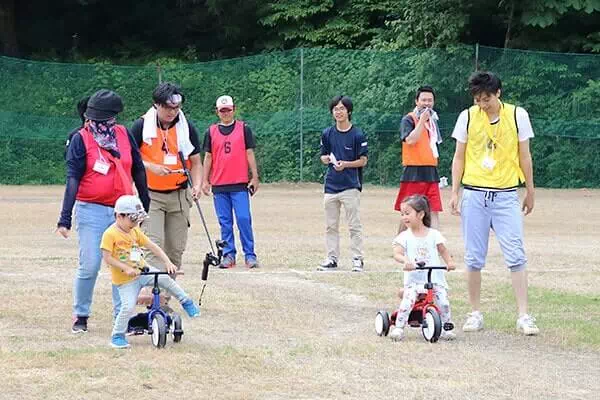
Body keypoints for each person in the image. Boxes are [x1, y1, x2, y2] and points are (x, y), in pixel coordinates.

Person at [449, 71, 539, 335]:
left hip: (506, 194)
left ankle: (523, 315)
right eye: (477, 98)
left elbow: (525, 156)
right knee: (474, 256)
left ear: (498, 93)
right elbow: (458, 157)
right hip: (475, 194)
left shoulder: (517, 115)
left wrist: (530, 190)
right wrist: (455, 192)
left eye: (486, 98)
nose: (482, 104)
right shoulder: (467, 117)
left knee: (515, 253)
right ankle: (475, 313)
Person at [56, 89, 150, 334]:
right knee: (90, 264)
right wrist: (65, 217)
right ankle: (81, 314)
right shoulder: (81, 139)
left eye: (98, 118)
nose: (93, 123)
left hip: (123, 212)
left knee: (123, 263)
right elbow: (73, 178)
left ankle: (122, 315)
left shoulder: (123, 134)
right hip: (91, 209)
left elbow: (138, 168)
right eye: (91, 118)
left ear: (112, 118)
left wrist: (145, 202)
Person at [100, 195, 200, 349]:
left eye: (137, 221)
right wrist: (125, 268)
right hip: (125, 280)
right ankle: (118, 335)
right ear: (119, 216)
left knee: (165, 279)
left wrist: (167, 262)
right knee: (127, 306)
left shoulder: (135, 231)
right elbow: (107, 258)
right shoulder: (110, 234)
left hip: (143, 270)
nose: (135, 224)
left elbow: (152, 246)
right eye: (132, 220)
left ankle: (186, 301)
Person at [130, 83, 203, 277]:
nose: (172, 112)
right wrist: (149, 166)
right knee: (152, 244)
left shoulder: (187, 128)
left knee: (175, 249)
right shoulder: (140, 126)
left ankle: (164, 297)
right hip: (150, 195)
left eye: (176, 108)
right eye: (167, 107)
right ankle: (152, 295)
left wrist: (196, 185)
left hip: (180, 195)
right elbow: (128, 158)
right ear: (156, 105)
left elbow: (196, 163)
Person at [201, 95, 259, 269]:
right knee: (225, 222)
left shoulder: (244, 129)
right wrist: (205, 180)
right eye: (222, 110)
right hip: (219, 185)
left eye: (228, 109)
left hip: (239, 183)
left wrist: (254, 176)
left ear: (234, 109)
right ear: (217, 112)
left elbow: (249, 153)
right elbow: (208, 157)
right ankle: (228, 255)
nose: (225, 113)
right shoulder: (210, 132)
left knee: (243, 219)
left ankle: (250, 255)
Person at [390, 195, 456, 341]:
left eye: (407, 213)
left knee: (443, 302)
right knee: (408, 302)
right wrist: (406, 261)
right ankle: (399, 327)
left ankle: (446, 327)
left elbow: (443, 250)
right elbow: (397, 254)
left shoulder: (434, 235)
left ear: (420, 214)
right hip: (414, 280)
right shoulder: (404, 236)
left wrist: (449, 262)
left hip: (434, 279)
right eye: (402, 214)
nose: (404, 217)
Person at [317, 95, 368, 272]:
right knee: (331, 225)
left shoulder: (357, 134)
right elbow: (323, 155)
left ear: (349, 111)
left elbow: (363, 160)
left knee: (354, 225)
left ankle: (357, 258)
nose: (338, 112)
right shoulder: (327, 133)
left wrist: (346, 164)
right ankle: (332, 258)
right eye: (335, 109)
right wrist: (327, 160)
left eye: (342, 109)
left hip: (350, 186)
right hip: (331, 186)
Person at [393, 86, 443, 233]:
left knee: (433, 210)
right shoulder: (409, 119)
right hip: (413, 172)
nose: (427, 103)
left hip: (431, 171)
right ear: (417, 101)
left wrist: (426, 121)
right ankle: (401, 243)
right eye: (423, 100)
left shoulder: (433, 122)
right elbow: (410, 140)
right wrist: (421, 121)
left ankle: (435, 245)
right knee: (408, 211)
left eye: (430, 100)